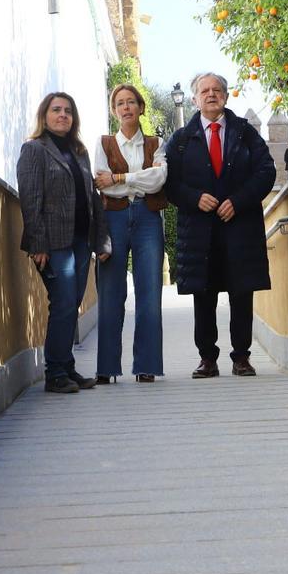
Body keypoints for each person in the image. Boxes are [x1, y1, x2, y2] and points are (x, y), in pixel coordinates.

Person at [165, 72, 276, 378]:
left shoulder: (245, 132)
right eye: (205, 91)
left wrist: (238, 201)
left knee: (242, 293)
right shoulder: (181, 140)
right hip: (199, 231)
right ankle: (207, 359)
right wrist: (193, 198)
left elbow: (266, 172)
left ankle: (241, 357)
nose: (211, 94)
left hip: (240, 227)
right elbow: (169, 184)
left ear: (226, 97)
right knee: (204, 294)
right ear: (194, 99)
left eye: (217, 90)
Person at [17, 92, 111, 393]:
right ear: (44, 116)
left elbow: (92, 199)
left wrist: (101, 241)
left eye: (68, 111)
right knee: (63, 304)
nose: (62, 115)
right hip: (53, 244)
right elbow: (30, 200)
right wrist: (38, 244)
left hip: (81, 242)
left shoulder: (79, 152)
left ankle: (66, 367)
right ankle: (55, 374)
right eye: (56, 110)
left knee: (70, 306)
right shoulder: (34, 150)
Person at [92, 84, 167, 384]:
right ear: (114, 110)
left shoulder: (155, 143)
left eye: (131, 102)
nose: (126, 107)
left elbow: (159, 180)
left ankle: (146, 365)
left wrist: (122, 178)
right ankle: (106, 367)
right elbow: (102, 183)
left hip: (148, 217)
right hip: (114, 217)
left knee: (150, 291)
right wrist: (138, 180)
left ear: (140, 107)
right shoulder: (104, 143)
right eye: (120, 103)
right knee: (111, 293)